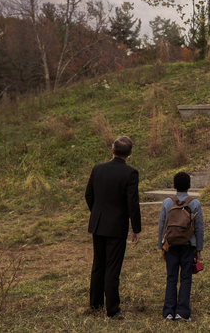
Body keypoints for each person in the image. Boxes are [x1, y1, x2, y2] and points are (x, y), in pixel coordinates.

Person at [85, 136, 141, 319]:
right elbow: (133, 203)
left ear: (112, 150)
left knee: (98, 264)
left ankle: (95, 304)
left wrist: (96, 213)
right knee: (112, 267)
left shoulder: (98, 168)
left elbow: (89, 194)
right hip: (116, 226)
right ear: (130, 153)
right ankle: (113, 309)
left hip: (98, 223)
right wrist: (136, 228)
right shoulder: (130, 173)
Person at [157, 172, 204, 322]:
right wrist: (198, 249)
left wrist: (161, 247)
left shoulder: (167, 203)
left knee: (171, 277)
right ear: (189, 185)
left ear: (174, 186)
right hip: (188, 245)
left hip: (170, 245)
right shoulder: (195, 203)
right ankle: (182, 313)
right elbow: (199, 228)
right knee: (186, 278)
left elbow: (161, 226)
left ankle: (168, 312)